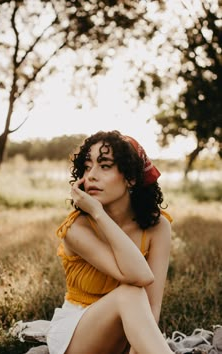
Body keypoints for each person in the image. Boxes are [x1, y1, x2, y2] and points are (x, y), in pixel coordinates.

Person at [47, 130, 174, 354]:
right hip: (78, 331)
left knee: (134, 298)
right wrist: (98, 213)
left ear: (131, 177)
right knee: (131, 292)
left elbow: (153, 306)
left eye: (104, 166)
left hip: (130, 330)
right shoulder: (76, 229)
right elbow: (140, 277)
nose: (91, 176)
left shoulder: (159, 227)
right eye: (87, 167)